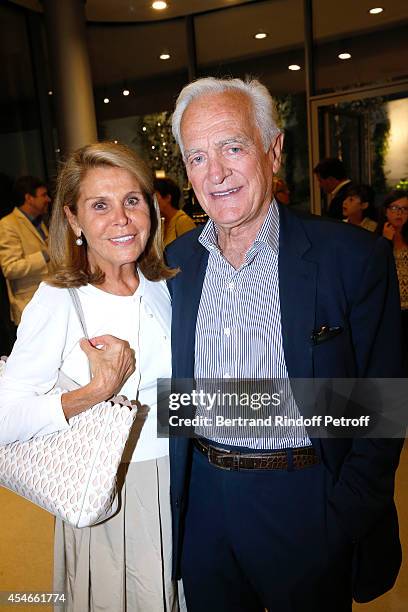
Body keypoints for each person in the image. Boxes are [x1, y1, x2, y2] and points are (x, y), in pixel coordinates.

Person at [165, 77, 403, 612]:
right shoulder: (177, 264)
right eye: (197, 156)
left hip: (305, 499)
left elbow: (382, 406)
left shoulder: (350, 258)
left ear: (273, 150)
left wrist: (340, 516)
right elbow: (176, 386)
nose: (216, 172)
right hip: (203, 502)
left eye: (233, 146)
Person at [0, 142, 179, 612]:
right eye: (100, 205)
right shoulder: (59, 298)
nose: (121, 218)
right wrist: (94, 392)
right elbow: (4, 418)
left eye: (132, 200)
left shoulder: (165, 286)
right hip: (107, 490)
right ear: (74, 218)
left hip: (178, 480)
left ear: (152, 207)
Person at [0, 176, 51, 325]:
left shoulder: (40, 222)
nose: (48, 199)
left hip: (48, 303)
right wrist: (46, 254)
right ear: (29, 198)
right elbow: (10, 268)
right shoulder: (8, 224)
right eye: (43, 195)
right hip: (29, 307)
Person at [377, 189, 408, 370]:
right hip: (390, 309)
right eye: (394, 208)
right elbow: (377, 272)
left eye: (404, 209)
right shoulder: (376, 237)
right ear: (386, 211)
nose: (399, 213)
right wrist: (386, 242)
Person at [154, 177, 196, 246]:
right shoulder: (163, 223)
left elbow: (194, 250)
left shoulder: (183, 221)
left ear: (168, 198)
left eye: (155, 197)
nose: (153, 202)